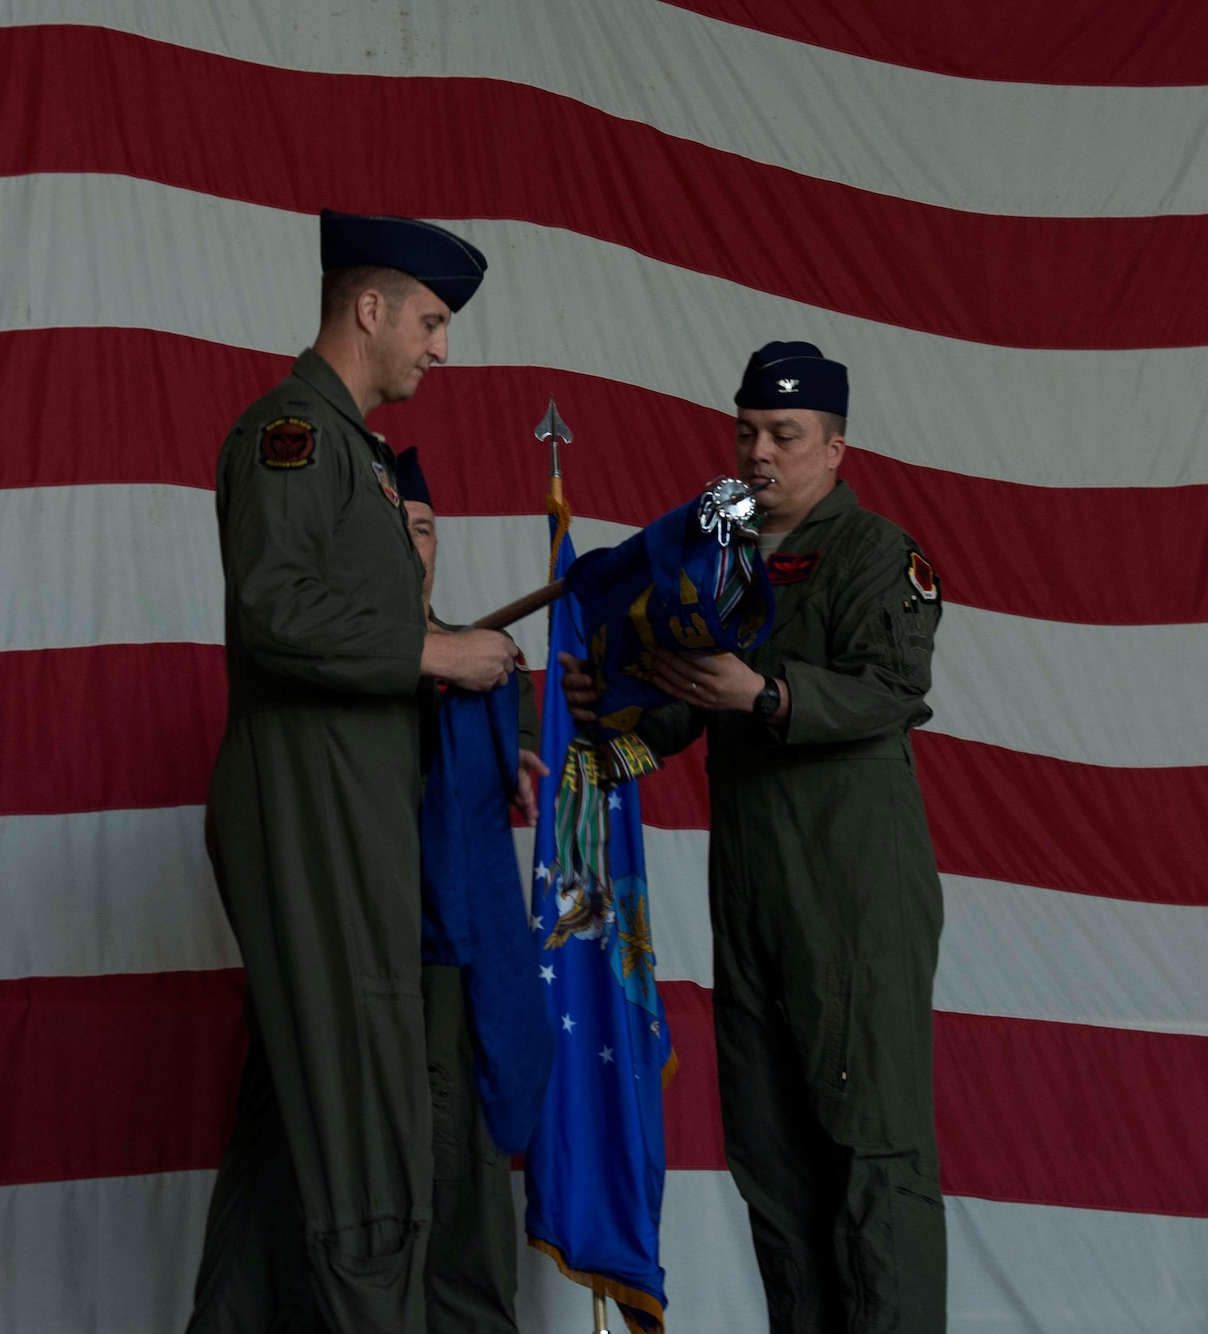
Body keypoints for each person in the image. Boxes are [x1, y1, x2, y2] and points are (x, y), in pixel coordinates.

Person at [564, 341, 946, 1333]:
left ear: (833, 449)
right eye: (745, 432)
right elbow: (683, 704)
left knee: (871, 1152)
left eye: (783, 434)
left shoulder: (877, 553)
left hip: (849, 895)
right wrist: (613, 712)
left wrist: (766, 692)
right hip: (750, 895)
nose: (759, 452)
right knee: (770, 1166)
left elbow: (891, 689)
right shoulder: (720, 547)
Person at [187, 210, 519, 1334]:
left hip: (355, 804)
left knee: (296, 1108)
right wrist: (437, 648)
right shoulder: (293, 432)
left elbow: (353, 639)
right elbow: (273, 610)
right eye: (429, 320)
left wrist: (467, 732)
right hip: (311, 817)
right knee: (364, 1112)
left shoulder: (358, 456)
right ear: (366, 309)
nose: (441, 345)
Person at [396, 444, 546, 1333]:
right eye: (397, 529)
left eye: (425, 530)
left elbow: (531, 743)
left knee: (461, 1183)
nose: (415, 547)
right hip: (364, 958)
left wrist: (521, 753)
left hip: (457, 973)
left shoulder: (483, 663)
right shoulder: (327, 661)